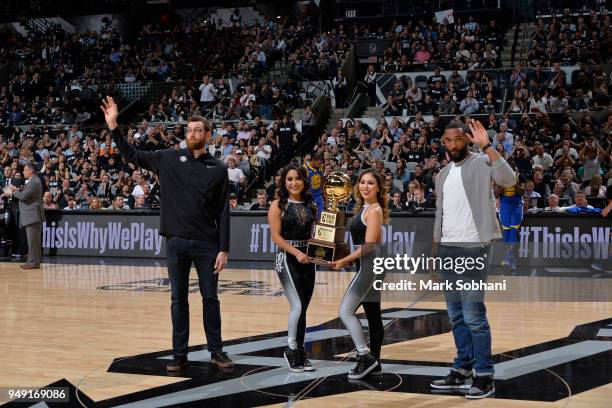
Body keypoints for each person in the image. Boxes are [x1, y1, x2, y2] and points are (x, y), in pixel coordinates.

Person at [100, 96, 233, 372]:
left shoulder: (218, 169)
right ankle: (179, 354)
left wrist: (224, 248)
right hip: (176, 243)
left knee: (211, 298)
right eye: (189, 130)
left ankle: (217, 351)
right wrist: (114, 127)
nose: (192, 133)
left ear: (207, 135)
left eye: (198, 130)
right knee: (178, 299)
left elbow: (223, 211)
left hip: (208, 243)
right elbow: (132, 155)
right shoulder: (168, 158)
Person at [430, 119, 515, 399]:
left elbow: (508, 180)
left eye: (457, 139)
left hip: (474, 248)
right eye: (447, 140)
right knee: (455, 317)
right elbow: (440, 217)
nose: (452, 145)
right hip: (448, 250)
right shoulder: (442, 174)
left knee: (473, 316)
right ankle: (463, 368)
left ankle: (484, 375)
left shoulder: (480, 162)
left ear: (467, 140)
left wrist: (487, 145)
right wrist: (435, 252)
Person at [331, 169, 388, 379]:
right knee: (373, 316)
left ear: (378, 187)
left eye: (370, 183)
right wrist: (340, 252)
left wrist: (344, 260)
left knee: (346, 311)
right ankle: (375, 363)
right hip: (370, 265)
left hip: (371, 265)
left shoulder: (373, 210)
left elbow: (370, 246)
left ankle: (365, 357)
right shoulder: (365, 208)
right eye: (362, 182)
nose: (365, 186)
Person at [268, 164, 317, 372]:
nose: (294, 183)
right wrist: (296, 252)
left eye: (297, 178)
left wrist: (325, 252)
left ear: (304, 181)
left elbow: (313, 235)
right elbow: (276, 237)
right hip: (286, 257)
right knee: (297, 305)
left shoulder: (310, 204)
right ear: (284, 182)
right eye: (289, 179)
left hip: (307, 258)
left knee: (303, 308)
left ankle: (300, 351)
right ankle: (291, 350)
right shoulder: (278, 205)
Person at [4, 163, 45, 269]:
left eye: (25, 170)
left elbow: (23, 196)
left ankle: (34, 262)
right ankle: (31, 261)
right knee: (32, 241)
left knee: (34, 241)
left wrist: (13, 191)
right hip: (30, 214)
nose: (23, 172)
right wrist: (17, 190)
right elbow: (24, 193)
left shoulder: (34, 182)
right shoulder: (32, 181)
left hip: (32, 215)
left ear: (31, 171)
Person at [495, 174, 524, 271]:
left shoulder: (519, 176)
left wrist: (513, 182)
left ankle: (508, 257)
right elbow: (495, 194)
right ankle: (511, 260)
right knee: (506, 235)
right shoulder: (500, 177)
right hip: (505, 207)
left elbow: (522, 192)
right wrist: (503, 183)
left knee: (513, 234)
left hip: (517, 207)